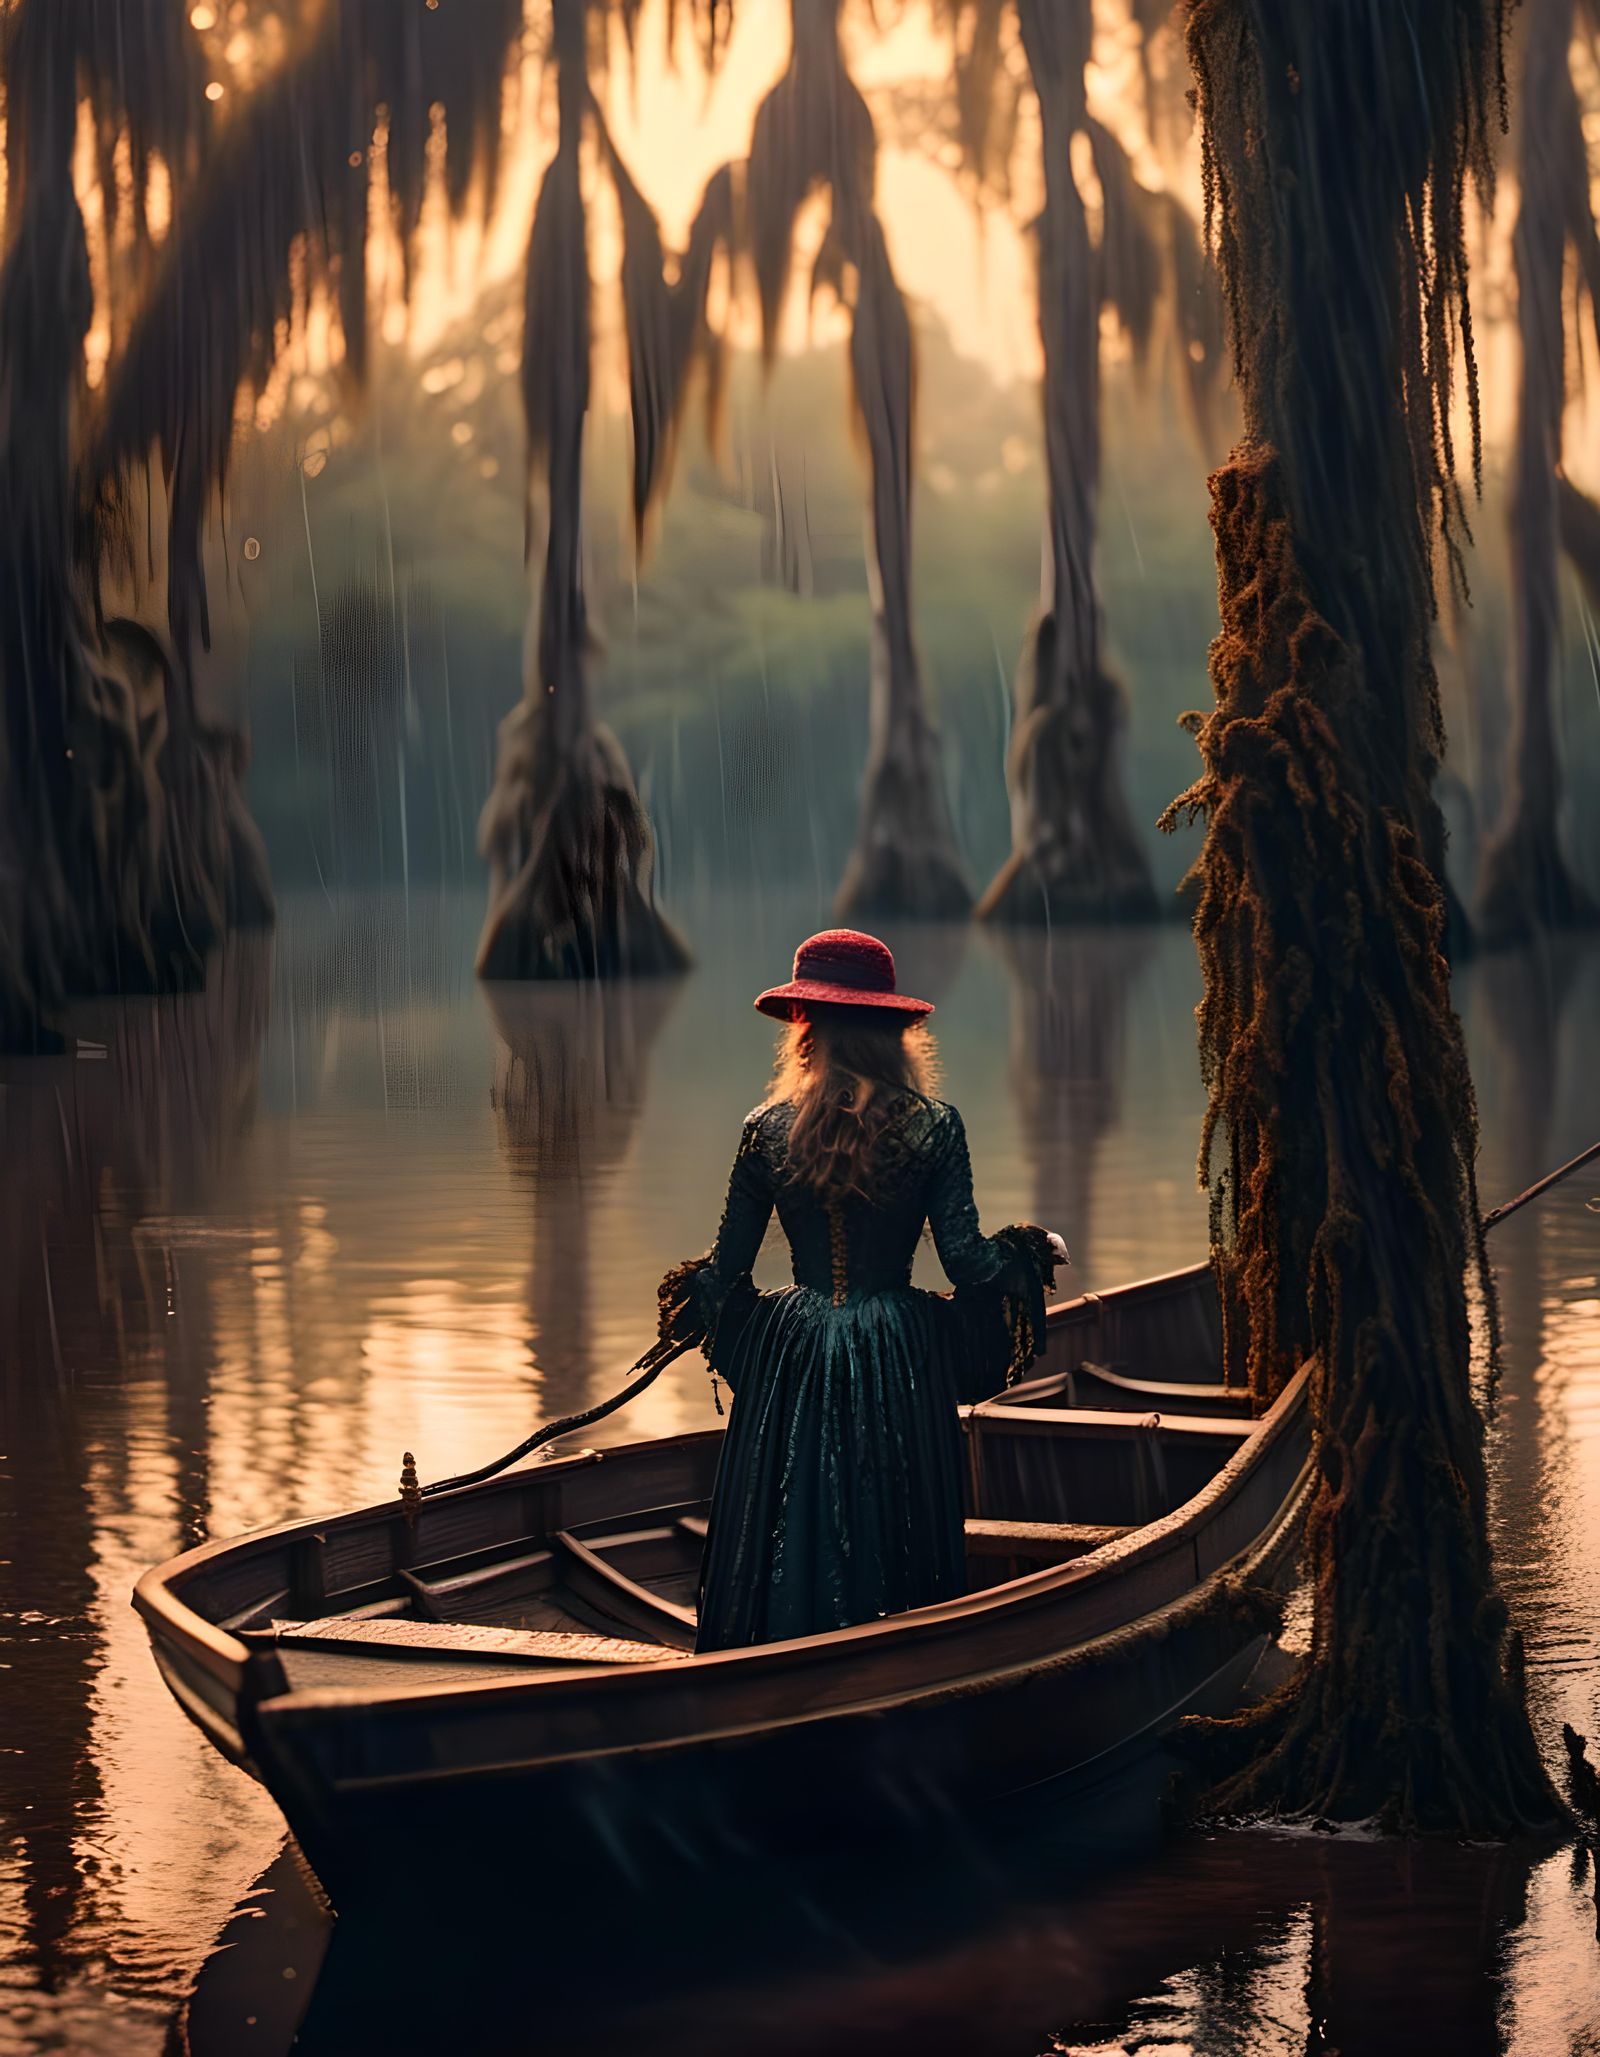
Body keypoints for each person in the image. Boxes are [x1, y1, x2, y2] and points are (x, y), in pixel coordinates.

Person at [659, 928, 1067, 1654]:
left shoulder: (764, 1130)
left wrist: (688, 1296)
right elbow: (969, 1263)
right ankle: (895, 1651)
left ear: (806, 1028)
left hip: (796, 1347)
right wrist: (1031, 1254)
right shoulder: (935, 1127)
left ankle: (780, 1643)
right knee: (888, 1502)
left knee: (793, 1500)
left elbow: (726, 1272)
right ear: (893, 1029)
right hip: (895, 1348)